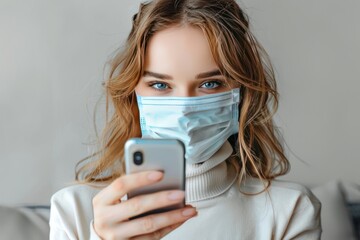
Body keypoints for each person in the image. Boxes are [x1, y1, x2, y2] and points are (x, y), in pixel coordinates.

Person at [50, 0, 322, 239]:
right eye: (159, 85)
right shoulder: (74, 210)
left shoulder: (290, 210)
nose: (184, 111)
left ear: (242, 93)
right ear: (132, 93)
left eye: (211, 84)